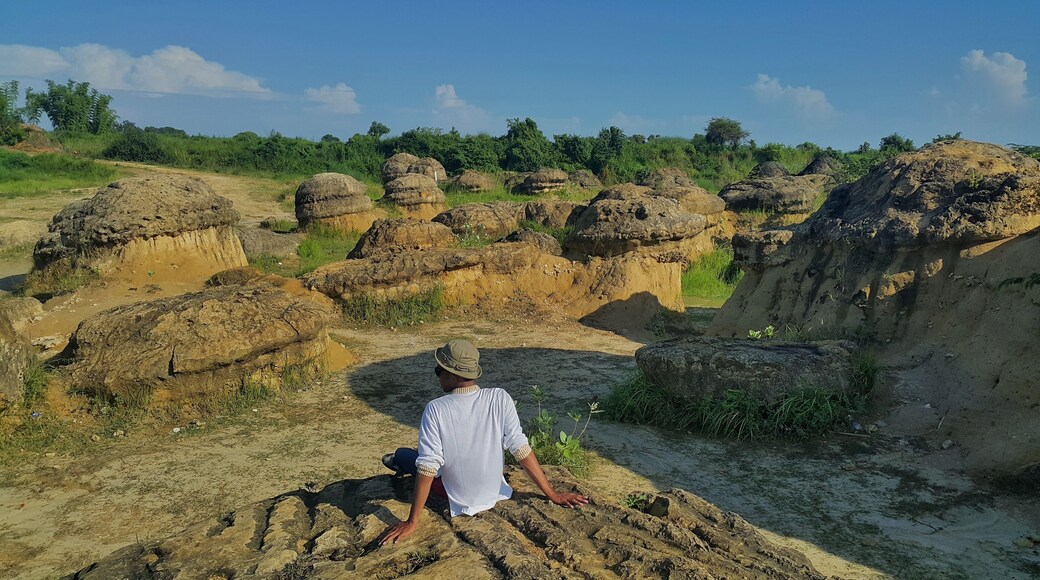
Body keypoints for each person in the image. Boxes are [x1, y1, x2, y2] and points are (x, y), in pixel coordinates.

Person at [379, 339, 588, 546]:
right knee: (424, 456)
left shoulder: (436, 409)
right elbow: (520, 447)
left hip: (458, 497)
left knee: (406, 455)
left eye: (439, 370)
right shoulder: (500, 398)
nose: (438, 376)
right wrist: (552, 494)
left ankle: (397, 460)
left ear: (453, 374)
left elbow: (427, 467)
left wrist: (412, 521)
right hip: (494, 491)